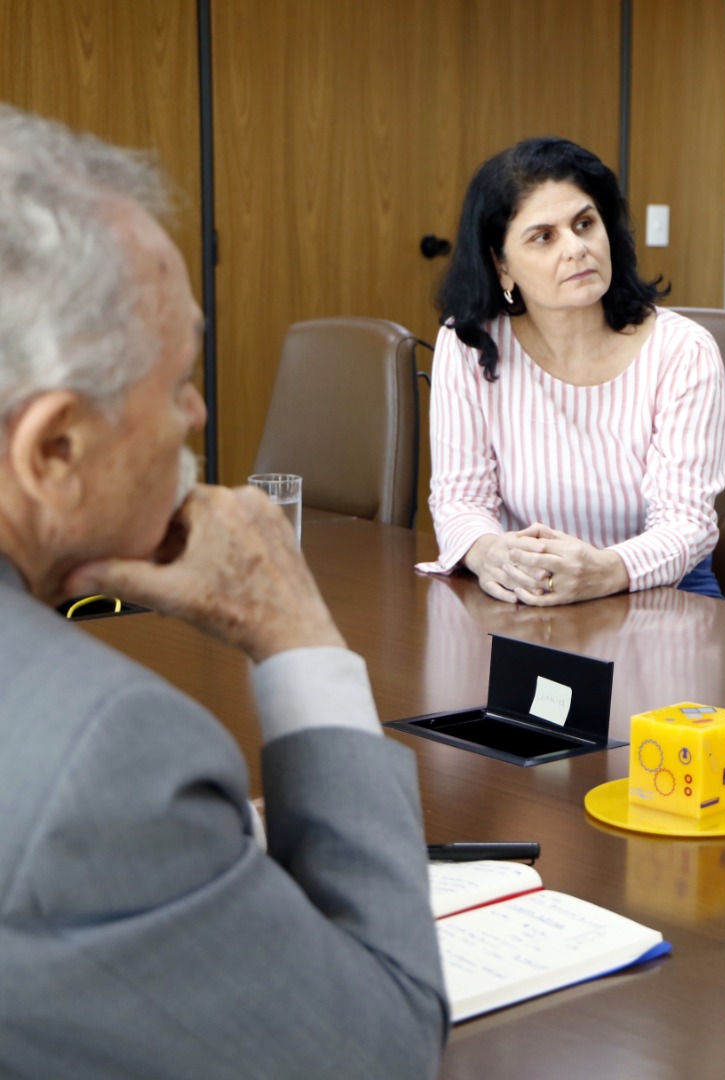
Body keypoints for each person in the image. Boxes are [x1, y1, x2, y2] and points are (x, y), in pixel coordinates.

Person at [0, 108, 446, 1077]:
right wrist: (296, 631)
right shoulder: (102, 758)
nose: (200, 415)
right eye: (181, 385)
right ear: (53, 451)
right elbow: (381, 1052)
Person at [416, 137, 725, 605]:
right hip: (526, 591)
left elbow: (687, 524)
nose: (577, 248)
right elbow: (460, 498)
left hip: (660, 591)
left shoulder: (684, 351)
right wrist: (488, 553)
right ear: (501, 265)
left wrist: (605, 570)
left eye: (585, 224)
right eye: (544, 237)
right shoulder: (469, 343)